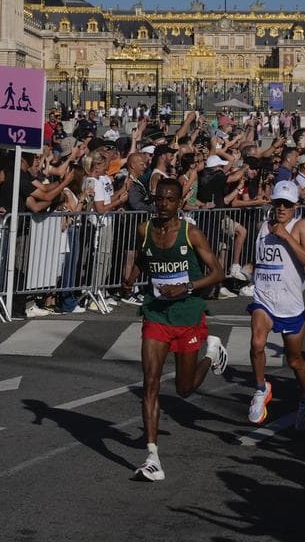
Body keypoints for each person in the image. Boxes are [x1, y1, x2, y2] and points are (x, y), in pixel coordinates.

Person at [118, 178, 227, 482]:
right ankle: (152, 456)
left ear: (180, 202)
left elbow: (217, 272)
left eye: (169, 200)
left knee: (184, 389)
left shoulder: (191, 233)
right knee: (150, 382)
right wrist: (131, 277)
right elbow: (142, 258)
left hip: (188, 314)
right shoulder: (145, 231)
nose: (163, 205)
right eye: (159, 199)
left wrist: (187, 286)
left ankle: (212, 352)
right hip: (156, 314)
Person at [247, 180, 305, 429]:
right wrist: (248, 269)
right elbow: (261, 260)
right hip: (264, 297)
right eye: (278, 202)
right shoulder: (262, 227)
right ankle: (260, 389)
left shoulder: (301, 226)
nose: (281, 208)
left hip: (290, 303)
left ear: (295, 205)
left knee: (294, 361)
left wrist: (286, 236)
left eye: (287, 204)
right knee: (257, 344)